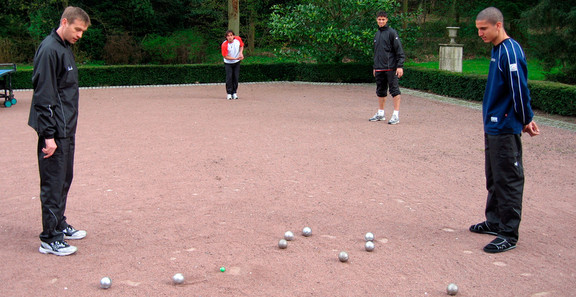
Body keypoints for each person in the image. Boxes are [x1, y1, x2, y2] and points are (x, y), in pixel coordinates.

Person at [469, 7, 540, 253]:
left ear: (498, 25)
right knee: (494, 176)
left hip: (505, 125)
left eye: (484, 28)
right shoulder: (497, 50)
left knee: (508, 179)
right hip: (493, 124)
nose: (480, 33)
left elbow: (519, 89)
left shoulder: (510, 51)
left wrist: (526, 119)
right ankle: (495, 221)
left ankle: (508, 233)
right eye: (478, 29)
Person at [28, 6, 91, 256]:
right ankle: (49, 238)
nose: (80, 35)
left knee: (64, 179)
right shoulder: (49, 49)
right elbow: (43, 96)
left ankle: (59, 224)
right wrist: (49, 135)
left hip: (66, 128)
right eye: (77, 29)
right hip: (53, 131)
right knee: (53, 182)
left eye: (83, 31)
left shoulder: (64, 47)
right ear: (64, 22)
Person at [369, 11, 405, 125]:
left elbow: (399, 50)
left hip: (391, 68)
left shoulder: (392, 33)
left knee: (394, 90)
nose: (381, 21)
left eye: (383, 19)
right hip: (379, 68)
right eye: (379, 19)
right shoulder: (377, 34)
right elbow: (376, 52)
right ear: (376, 20)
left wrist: (400, 66)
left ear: (387, 20)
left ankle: (396, 115)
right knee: (380, 91)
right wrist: (375, 67)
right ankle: (381, 113)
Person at [221, 30, 244, 100]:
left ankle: (234, 92)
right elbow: (225, 56)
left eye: (231, 35)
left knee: (236, 77)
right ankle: (229, 93)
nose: (230, 37)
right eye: (228, 36)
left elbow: (241, 46)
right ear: (226, 37)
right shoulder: (224, 45)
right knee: (229, 77)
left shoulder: (238, 39)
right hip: (228, 63)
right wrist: (235, 58)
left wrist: (240, 53)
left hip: (237, 62)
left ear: (233, 36)